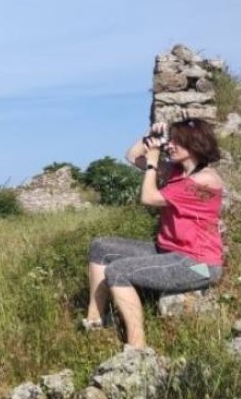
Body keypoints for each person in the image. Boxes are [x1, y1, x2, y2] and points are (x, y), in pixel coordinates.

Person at [84, 118, 225, 348]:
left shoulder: (204, 181)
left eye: (176, 142)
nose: (170, 146)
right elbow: (131, 156)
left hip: (200, 265)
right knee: (101, 247)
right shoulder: (178, 172)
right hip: (168, 251)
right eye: (170, 141)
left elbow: (148, 198)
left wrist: (152, 163)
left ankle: (136, 348)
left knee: (118, 271)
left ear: (194, 143)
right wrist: (150, 137)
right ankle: (95, 321)